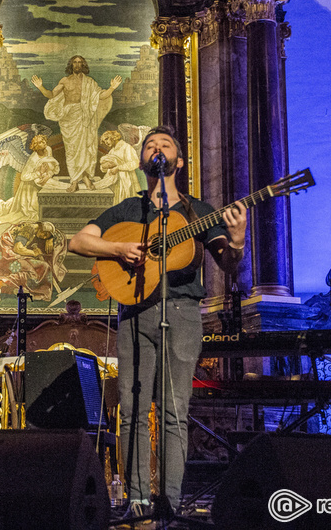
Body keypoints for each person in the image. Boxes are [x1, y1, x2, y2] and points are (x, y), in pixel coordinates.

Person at [68, 126, 247, 523]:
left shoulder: (199, 211)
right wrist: (118, 247)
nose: (157, 149)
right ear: (141, 161)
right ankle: (136, 500)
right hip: (133, 314)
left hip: (181, 313)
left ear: (178, 161)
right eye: (150, 145)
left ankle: (169, 499)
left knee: (173, 411)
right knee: (131, 408)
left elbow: (229, 265)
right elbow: (77, 242)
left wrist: (237, 239)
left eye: (165, 145)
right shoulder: (128, 211)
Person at [32, 56, 122, 192]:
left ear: (83, 65)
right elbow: (51, 95)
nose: (77, 64)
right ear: (71, 65)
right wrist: (40, 87)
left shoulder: (89, 82)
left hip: (85, 118)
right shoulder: (65, 81)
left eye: (80, 62)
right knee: (72, 151)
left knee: (86, 150)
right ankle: (74, 181)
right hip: (69, 119)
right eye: (75, 62)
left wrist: (112, 88)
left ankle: (85, 178)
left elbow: (101, 96)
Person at [0, 134, 60, 225]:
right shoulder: (33, 159)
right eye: (40, 142)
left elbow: (51, 167)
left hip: (41, 182)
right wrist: (39, 173)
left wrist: (48, 175)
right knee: (34, 212)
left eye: (43, 140)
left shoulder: (48, 149)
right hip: (29, 189)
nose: (43, 142)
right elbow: (24, 176)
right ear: (35, 146)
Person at [99, 129, 142, 204]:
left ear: (113, 137)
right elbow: (108, 168)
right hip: (115, 182)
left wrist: (118, 168)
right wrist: (104, 167)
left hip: (126, 181)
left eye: (106, 139)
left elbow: (135, 163)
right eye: (104, 141)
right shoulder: (112, 151)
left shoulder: (126, 147)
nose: (105, 142)